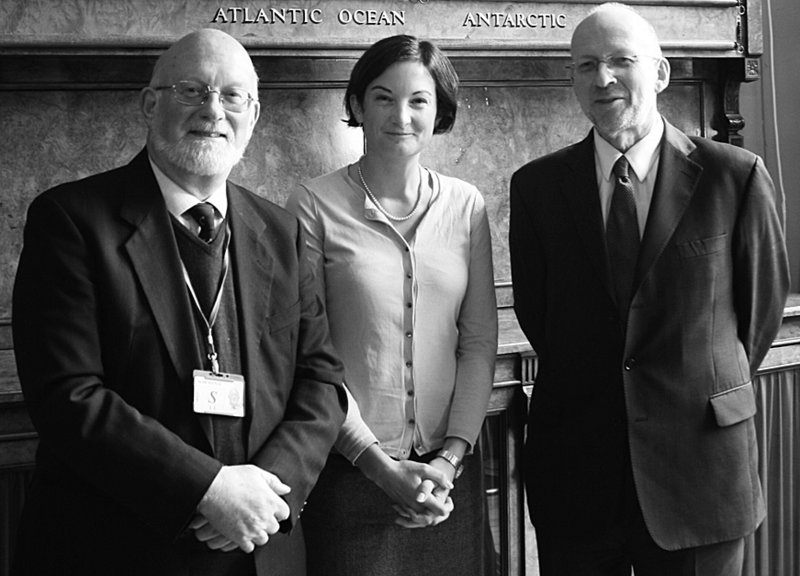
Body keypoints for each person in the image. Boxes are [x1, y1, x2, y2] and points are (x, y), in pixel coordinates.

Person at [11, 28, 347, 576]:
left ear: (253, 115)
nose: (213, 109)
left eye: (232, 95)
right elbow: (67, 395)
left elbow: (322, 381)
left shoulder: (281, 231)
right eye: (192, 90)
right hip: (118, 548)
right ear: (150, 103)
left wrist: (265, 497)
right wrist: (208, 490)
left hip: (261, 547)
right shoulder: (70, 221)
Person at [509, 3, 789, 575]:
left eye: (620, 61)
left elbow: (758, 318)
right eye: (586, 65)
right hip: (578, 472)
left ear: (659, 73)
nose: (603, 78)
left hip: (701, 469)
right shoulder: (536, 187)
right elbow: (539, 314)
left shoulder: (734, 176)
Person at [286, 34, 498, 576]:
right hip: (351, 467)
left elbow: (476, 343)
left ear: (439, 111)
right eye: (383, 97)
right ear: (357, 105)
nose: (401, 115)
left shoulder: (466, 205)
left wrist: (449, 459)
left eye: (418, 100)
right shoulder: (313, 204)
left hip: (450, 475)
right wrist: (381, 469)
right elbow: (311, 352)